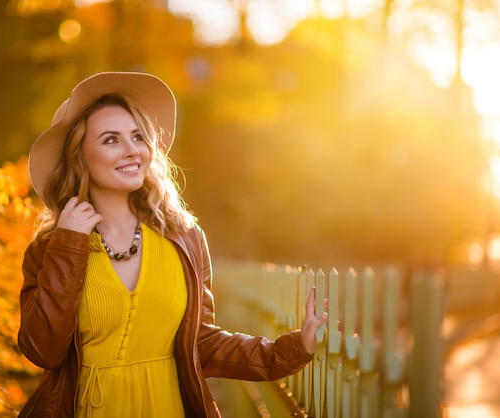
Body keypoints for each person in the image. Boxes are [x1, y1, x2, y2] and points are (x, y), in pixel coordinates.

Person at [17, 71, 327, 418]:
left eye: (137, 136)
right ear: (80, 155)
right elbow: (42, 350)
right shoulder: (50, 250)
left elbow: (201, 343)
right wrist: (69, 244)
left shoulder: (184, 238)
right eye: (110, 140)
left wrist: (290, 349)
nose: (132, 149)